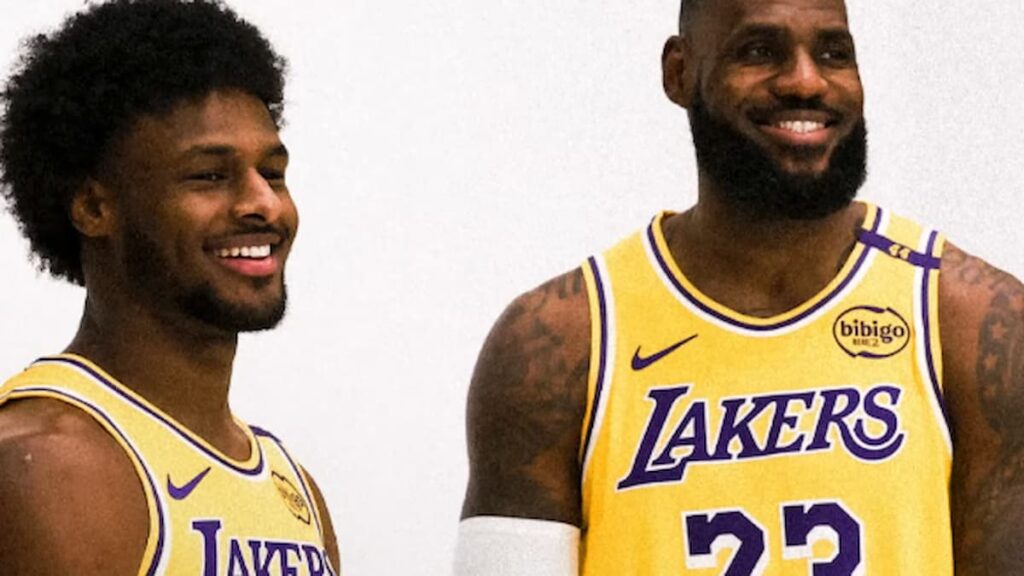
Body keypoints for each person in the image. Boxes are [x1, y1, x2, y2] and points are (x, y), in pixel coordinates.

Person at [456, 0, 1023, 573]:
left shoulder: (974, 323)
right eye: (758, 51)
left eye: (834, 53)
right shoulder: (554, 347)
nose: (806, 79)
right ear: (679, 73)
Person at [0, 1, 340, 574]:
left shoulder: (294, 489)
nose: (263, 203)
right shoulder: (46, 465)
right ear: (92, 206)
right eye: (209, 175)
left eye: (273, 173)